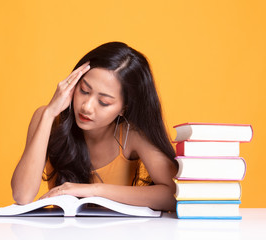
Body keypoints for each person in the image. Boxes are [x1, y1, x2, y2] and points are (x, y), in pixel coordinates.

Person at [11, 42, 178, 211]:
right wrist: (48, 115)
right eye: (84, 90)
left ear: (124, 108)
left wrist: (94, 191)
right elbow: (22, 195)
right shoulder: (47, 118)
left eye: (103, 102)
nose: (87, 107)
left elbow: (175, 195)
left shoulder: (133, 133)